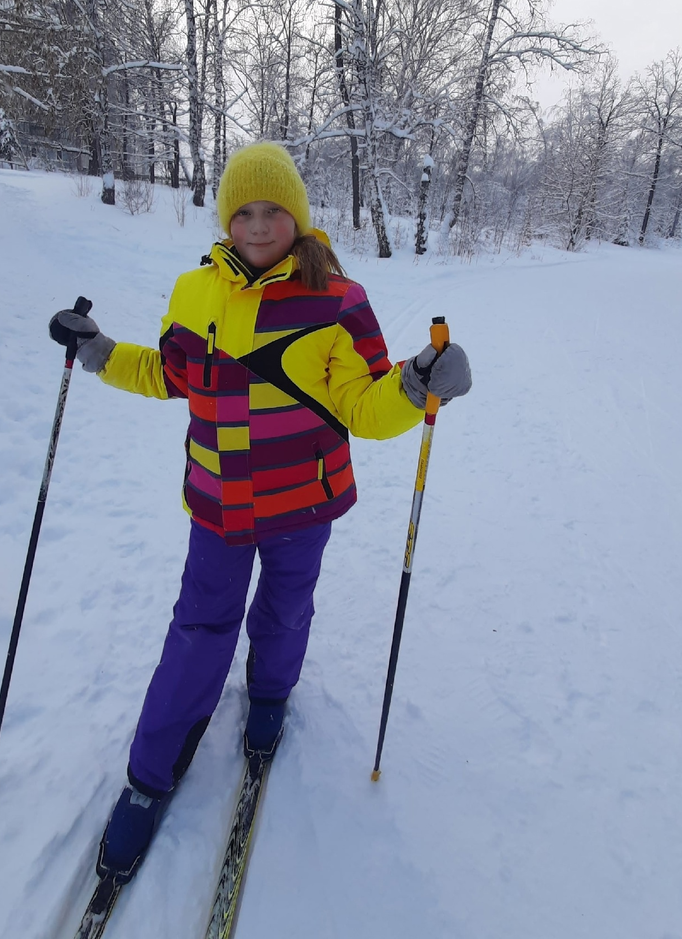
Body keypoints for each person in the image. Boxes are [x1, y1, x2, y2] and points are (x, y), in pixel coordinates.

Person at [49, 142, 471, 884]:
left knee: (284, 609)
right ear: (225, 218)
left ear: (297, 216)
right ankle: (150, 778)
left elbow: (362, 407)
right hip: (215, 502)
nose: (257, 223)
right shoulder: (192, 292)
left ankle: (270, 696)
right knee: (198, 629)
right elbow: (169, 374)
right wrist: (101, 352)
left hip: (303, 501)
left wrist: (414, 386)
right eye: (243, 210)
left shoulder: (338, 300)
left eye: (273, 209)